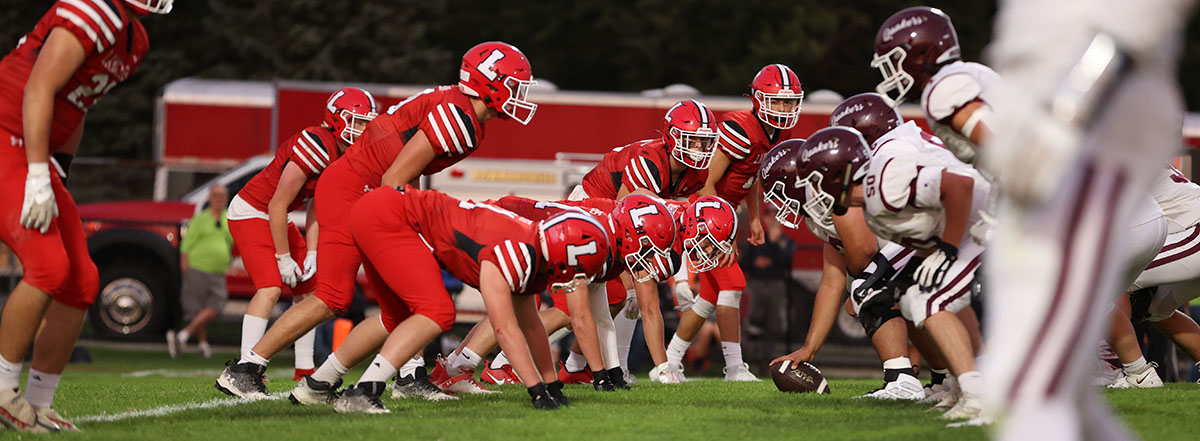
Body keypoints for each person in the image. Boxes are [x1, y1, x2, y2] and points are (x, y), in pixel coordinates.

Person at [216, 41, 538, 399]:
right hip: (354, 190)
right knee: (334, 296)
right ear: (489, 83)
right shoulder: (458, 116)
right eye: (514, 85)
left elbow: (408, 168)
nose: (519, 95)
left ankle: (368, 379)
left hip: (367, 190)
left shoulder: (464, 115)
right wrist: (417, 221)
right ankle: (247, 368)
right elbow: (395, 178)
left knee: (406, 301)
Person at [982, 0, 1190, 437]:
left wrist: (1065, 113)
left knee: (1031, 380)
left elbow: (1139, 18)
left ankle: (1134, 370)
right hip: (1065, 115)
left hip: (1090, 126)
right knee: (1061, 390)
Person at [0, 0, 170, 433]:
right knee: (48, 267)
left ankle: (39, 401)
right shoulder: (92, 10)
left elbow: (75, 105)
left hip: (35, 152)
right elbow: (39, 86)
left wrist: (57, 168)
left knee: (81, 280)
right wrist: (38, 173)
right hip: (7, 137)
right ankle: (2, 390)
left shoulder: (136, 40)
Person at [320, 186, 609, 413]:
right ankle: (365, 391)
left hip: (384, 211)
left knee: (396, 318)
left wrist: (551, 384)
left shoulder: (533, 249)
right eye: (579, 270)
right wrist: (535, 389)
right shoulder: (515, 252)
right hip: (390, 215)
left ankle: (317, 384)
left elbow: (531, 326)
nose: (577, 280)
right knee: (436, 311)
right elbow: (504, 329)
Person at [797, 126, 989, 419]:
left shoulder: (885, 181)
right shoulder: (871, 207)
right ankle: (965, 385)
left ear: (839, 175)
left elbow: (960, 186)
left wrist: (948, 250)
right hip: (965, 227)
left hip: (983, 221)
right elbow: (923, 230)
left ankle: (977, 394)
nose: (813, 193)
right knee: (918, 296)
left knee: (929, 302)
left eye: (815, 182)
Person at [433, 194, 676, 392]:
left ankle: (452, 366)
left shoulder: (610, 239)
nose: (650, 260)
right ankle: (461, 369)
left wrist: (612, 372)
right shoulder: (595, 240)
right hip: (513, 224)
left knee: (522, 302)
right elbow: (580, 317)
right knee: (520, 301)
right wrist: (601, 375)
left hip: (522, 223)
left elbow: (602, 315)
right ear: (634, 235)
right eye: (649, 250)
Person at [759, 131, 923, 403]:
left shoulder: (834, 195)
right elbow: (831, 280)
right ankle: (934, 379)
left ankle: (903, 379)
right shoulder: (816, 214)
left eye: (778, 191)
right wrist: (810, 349)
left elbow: (865, 252)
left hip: (925, 240)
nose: (778, 204)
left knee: (863, 288)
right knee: (861, 286)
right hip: (906, 248)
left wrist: (861, 292)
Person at [227, 87, 377, 380]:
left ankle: (304, 367)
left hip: (276, 216)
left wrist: (312, 252)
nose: (362, 130)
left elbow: (316, 206)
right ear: (337, 119)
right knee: (269, 288)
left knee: (310, 291)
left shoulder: (341, 154)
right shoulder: (317, 143)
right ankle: (245, 368)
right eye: (357, 121)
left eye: (365, 123)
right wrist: (283, 257)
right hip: (253, 210)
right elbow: (278, 203)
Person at [664, 65, 802, 383]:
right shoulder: (739, 127)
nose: (783, 109)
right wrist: (718, 234)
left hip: (724, 215)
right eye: (776, 101)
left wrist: (753, 217)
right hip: (704, 214)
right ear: (757, 98)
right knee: (733, 283)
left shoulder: (777, 132)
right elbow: (706, 184)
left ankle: (670, 362)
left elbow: (750, 176)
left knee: (709, 298)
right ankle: (735, 368)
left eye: (788, 102)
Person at [574, 100, 715, 383]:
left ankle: (591, 368)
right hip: (588, 210)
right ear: (672, 136)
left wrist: (684, 280)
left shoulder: (695, 173)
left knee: (624, 298)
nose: (700, 149)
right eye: (694, 141)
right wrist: (632, 273)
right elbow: (622, 219)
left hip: (623, 220)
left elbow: (679, 225)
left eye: (704, 142)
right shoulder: (649, 161)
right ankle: (508, 362)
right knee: (591, 302)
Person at [871, 6, 998, 166]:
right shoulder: (965, 72)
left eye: (895, 62)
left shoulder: (942, 89)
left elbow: (999, 142)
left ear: (920, 54)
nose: (893, 75)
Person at [167, 185, 233, 360]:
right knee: (198, 309)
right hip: (197, 267)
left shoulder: (229, 218)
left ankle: (183, 335)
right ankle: (202, 344)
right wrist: (185, 268)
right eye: (215, 195)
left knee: (216, 305)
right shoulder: (200, 219)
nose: (219, 199)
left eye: (222, 196)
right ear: (210, 198)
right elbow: (186, 244)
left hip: (217, 270)